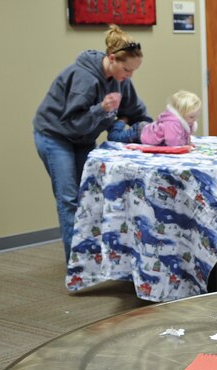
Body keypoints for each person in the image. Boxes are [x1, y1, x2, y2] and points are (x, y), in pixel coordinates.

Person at [33, 24, 150, 263]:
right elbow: (72, 123)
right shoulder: (83, 78)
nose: (129, 76)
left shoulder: (121, 80)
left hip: (82, 138)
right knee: (69, 199)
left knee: (91, 195)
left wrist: (153, 129)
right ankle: (76, 264)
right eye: (127, 69)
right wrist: (102, 110)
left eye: (133, 71)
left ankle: (95, 258)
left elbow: (137, 111)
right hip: (55, 135)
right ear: (111, 59)